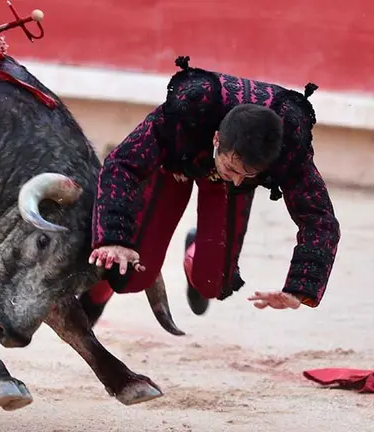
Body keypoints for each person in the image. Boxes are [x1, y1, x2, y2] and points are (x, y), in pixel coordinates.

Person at [78, 56, 341, 327]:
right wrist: (113, 238)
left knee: (212, 284)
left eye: (248, 175)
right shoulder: (188, 107)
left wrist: (298, 289)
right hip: (176, 166)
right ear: (217, 139)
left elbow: (321, 221)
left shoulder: (289, 146)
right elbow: (122, 164)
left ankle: (192, 247)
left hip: (216, 168)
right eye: (234, 169)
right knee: (132, 277)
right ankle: (98, 293)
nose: (238, 181)